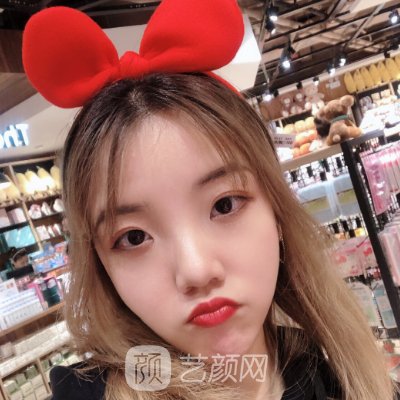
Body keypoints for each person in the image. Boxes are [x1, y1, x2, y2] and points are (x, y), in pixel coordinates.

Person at [22, 1, 396, 399]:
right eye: (133, 237)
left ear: (276, 209)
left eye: (224, 205)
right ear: (101, 266)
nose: (196, 270)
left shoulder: (342, 375)